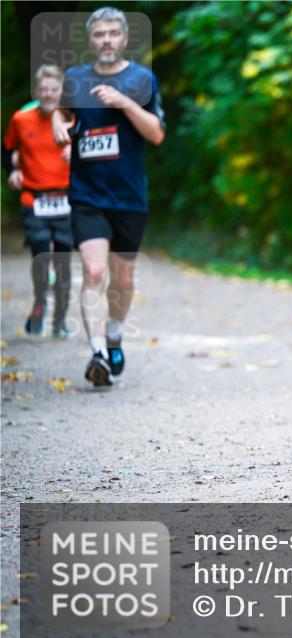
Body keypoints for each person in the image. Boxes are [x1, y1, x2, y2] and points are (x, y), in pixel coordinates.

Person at [51, 7, 165, 386]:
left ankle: (114, 335)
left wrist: (124, 102)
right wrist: (57, 125)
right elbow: (60, 113)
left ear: (124, 38)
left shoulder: (141, 79)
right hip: (87, 193)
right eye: (99, 34)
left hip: (129, 195)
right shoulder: (75, 78)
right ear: (91, 39)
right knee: (94, 272)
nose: (106, 40)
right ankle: (98, 351)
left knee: (123, 279)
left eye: (113, 33)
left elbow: (156, 133)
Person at [3, 65, 73, 339]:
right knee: (41, 258)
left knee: (63, 263)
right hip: (34, 198)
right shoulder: (21, 119)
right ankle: (40, 302)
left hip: (67, 199)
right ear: (36, 91)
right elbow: (6, 149)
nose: (48, 94)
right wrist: (13, 171)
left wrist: (76, 154)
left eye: (54, 89)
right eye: (43, 89)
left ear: (61, 92)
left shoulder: (73, 119)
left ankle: (60, 320)